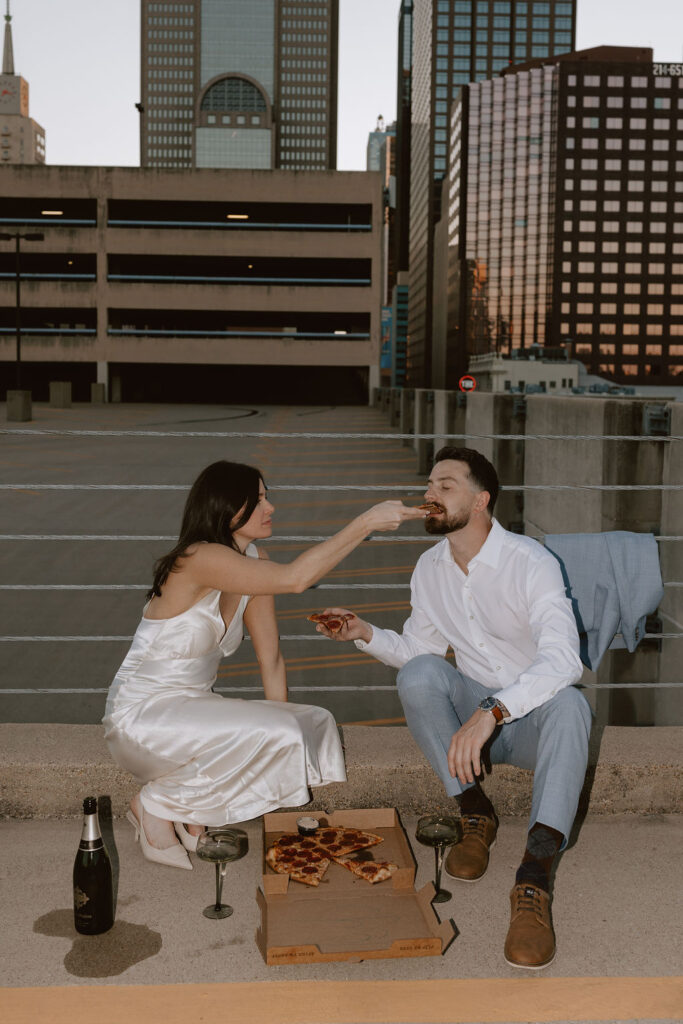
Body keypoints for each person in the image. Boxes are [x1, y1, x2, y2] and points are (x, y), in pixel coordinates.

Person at [312, 446, 592, 970]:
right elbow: (421, 652)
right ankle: (475, 814)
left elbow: (563, 660)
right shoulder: (430, 566)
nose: (429, 494)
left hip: (529, 722)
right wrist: (364, 632)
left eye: (445, 486)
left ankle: (533, 882)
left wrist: (493, 712)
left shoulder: (531, 562)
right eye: (429, 486)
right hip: (473, 717)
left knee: (573, 708)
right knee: (419, 674)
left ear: (481, 500)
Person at [103, 459, 425, 870]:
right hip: (142, 716)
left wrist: (283, 736)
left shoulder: (253, 556)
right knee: (280, 730)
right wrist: (366, 522)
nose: (269, 507)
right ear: (225, 508)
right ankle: (154, 803)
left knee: (311, 722)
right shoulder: (200, 557)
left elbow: (270, 658)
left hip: (191, 710)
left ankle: (187, 808)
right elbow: (294, 579)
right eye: (256, 501)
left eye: (266, 497)